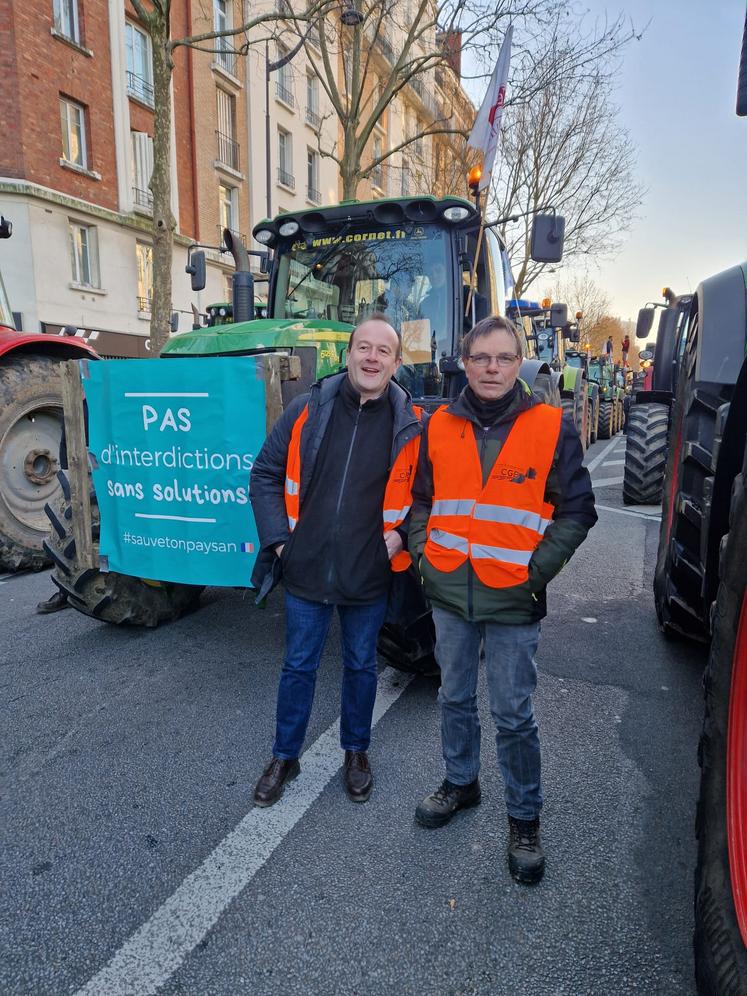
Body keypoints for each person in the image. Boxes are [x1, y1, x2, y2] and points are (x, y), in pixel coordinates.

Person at [409, 314, 597, 885]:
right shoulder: (438, 426)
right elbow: (421, 501)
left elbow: (577, 511)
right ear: (464, 363)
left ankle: (524, 819)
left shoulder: (551, 427)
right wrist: (423, 558)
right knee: (453, 697)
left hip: (514, 598)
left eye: (504, 358)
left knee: (513, 714)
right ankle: (461, 782)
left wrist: (534, 574)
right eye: (481, 358)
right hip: (449, 591)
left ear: (520, 364)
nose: (492, 368)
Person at [249, 316, 422, 808]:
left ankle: (356, 752)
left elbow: (428, 497)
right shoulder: (308, 409)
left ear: (396, 362)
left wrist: (399, 538)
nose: (372, 357)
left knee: (361, 667)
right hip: (305, 567)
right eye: (363, 347)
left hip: (368, 572)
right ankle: (285, 756)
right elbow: (264, 474)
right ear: (347, 355)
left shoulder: (412, 425)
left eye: (383, 351)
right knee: (298, 666)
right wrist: (280, 544)